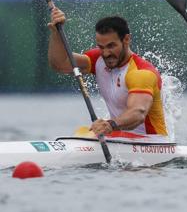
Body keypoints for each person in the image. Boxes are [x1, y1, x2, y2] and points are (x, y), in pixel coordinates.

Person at [48, 8, 169, 140]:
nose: (105, 53)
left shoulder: (141, 73)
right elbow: (60, 64)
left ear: (126, 39)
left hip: (151, 142)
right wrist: (56, 33)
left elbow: (138, 113)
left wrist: (109, 125)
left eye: (111, 46)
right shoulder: (97, 59)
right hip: (119, 137)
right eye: (101, 47)